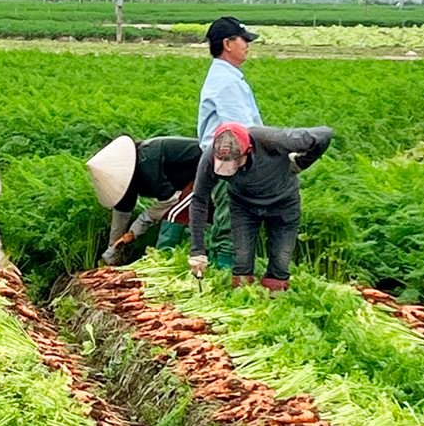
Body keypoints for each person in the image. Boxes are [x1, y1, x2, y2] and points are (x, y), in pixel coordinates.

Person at [187, 122, 332, 291]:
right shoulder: (210, 157)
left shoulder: (274, 140)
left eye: (235, 163)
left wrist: (301, 162)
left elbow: (325, 134)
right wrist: (197, 250)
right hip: (243, 207)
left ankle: (275, 301)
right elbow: (199, 201)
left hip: (283, 204)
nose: (230, 169)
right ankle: (243, 299)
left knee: (280, 262)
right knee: (242, 259)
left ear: (248, 151)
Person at [197, 17, 263, 270]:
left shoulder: (227, 77)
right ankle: (224, 276)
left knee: (230, 219)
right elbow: (241, 129)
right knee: (231, 221)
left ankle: (223, 272)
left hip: (227, 157)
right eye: (243, 40)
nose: (247, 45)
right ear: (227, 43)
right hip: (229, 159)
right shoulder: (225, 82)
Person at [86, 134, 202, 266]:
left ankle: (165, 260)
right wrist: (113, 248)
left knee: (173, 217)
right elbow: (122, 212)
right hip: (183, 183)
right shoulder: (130, 175)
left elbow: (169, 200)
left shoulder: (148, 164)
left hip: (206, 169)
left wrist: (135, 229)